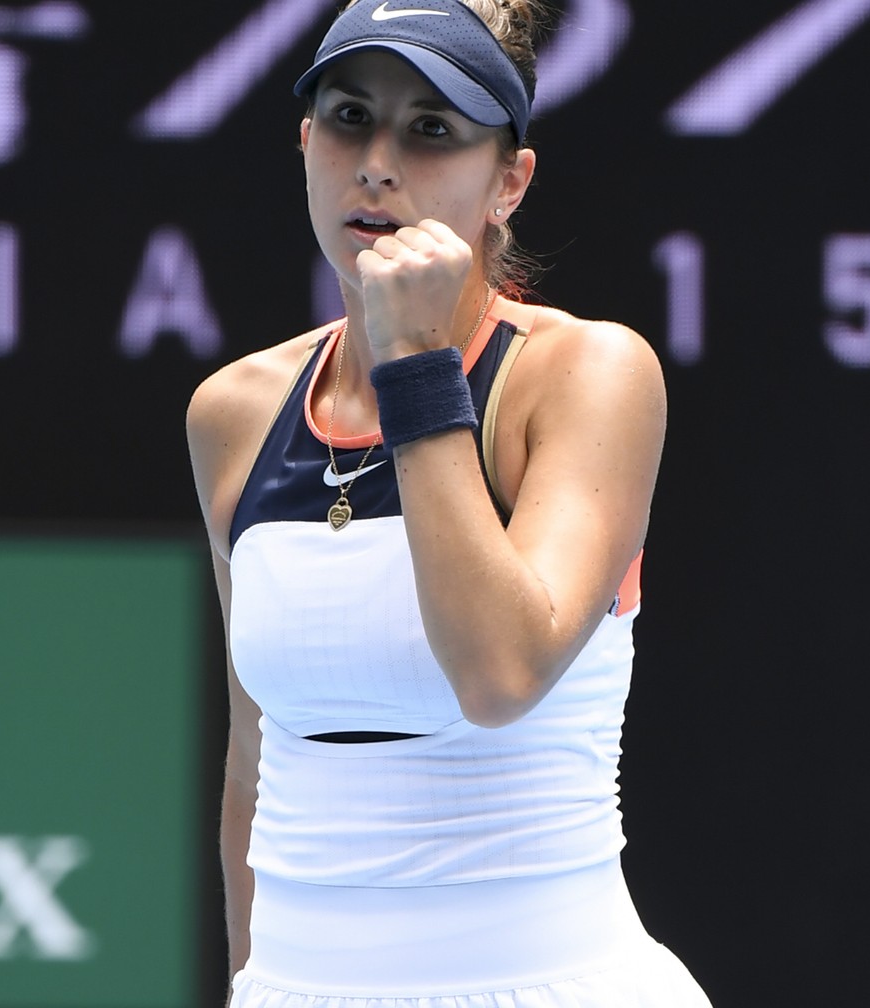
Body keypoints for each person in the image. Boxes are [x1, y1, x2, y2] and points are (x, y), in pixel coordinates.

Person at [185, 1, 713, 1006]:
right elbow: (257, 767)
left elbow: (500, 674)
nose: (378, 163)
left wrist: (419, 365)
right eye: (348, 118)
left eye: (431, 130)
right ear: (305, 145)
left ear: (507, 181)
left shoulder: (587, 375)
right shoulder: (234, 413)